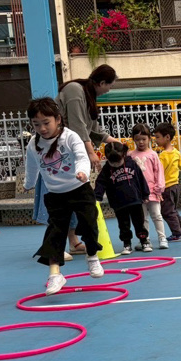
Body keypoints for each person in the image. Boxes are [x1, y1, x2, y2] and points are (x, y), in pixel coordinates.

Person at [23, 97, 105, 295]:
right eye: (36, 124)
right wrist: (28, 184)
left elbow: (81, 157)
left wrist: (82, 172)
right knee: (55, 233)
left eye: (46, 122)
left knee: (89, 224)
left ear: (58, 119)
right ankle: (55, 274)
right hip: (56, 194)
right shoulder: (33, 144)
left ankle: (92, 257)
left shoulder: (70, 137)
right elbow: (31, 166)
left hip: (79, 188)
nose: (42, 128)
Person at [46, 64, 118, 255]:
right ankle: (57, 245)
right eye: (109, 86)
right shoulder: (75, 90)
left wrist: (114, 142)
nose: (109, 90)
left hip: (71, 154)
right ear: (102, 82)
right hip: (59, 153)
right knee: (61, 202)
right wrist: (91, 153)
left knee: (74, 197)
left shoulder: (89, 96)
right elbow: (78, 127)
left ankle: (73, 241)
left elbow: (92, 128)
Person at [94, 141, 151, 255]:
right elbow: (100, 183)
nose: (115, 164)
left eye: (118, 161)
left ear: (124, 154)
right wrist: (97, 197)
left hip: (135, 200)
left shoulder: (132, 164)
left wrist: (145, 194)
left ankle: (144, 241)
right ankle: (127, 244)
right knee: (123, 225)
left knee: (139, 223)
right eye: (112, 162)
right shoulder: (106, 169)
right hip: (118, 203)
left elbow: (141, 178)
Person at [153, 122, 181, 242]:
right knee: (172, 209)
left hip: (166, 188)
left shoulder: (163, 155)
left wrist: (155, 186)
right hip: (175, 186)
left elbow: (158, 172)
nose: (155, 140)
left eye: (157, 137)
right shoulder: (176, 152)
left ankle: (177, 234)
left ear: (167, 137)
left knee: (167, 212)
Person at [128, 123, 168, 250]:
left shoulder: (153, 155)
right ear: (133, 139)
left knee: (157, 215)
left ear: (149, 139)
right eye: (137, 139)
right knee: (142, 218)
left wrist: (159, 189)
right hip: (138, 194)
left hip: (152, 191)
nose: (141, 142)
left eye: (144, 139)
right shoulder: (130, 156)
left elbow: (158, 172)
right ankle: (145, 240)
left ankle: (162, 238)